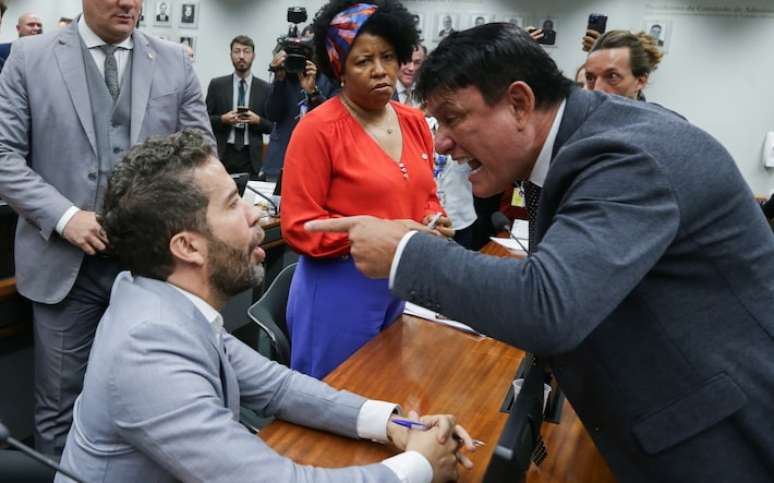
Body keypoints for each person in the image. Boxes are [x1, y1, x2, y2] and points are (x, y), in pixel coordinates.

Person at [305, 23, 774, 482]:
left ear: (519, 103)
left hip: (722, 437)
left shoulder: (626, 155)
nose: (442, 141)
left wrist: (405, 253)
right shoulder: (584, 139)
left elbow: (549, 305)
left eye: (452, 118)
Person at [54, 129, 474, 483]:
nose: (256, 213)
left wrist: (396, 425)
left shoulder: (160, 296)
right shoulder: (147, 347)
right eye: (233, 203)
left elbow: (278, 386)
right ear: (187, 247)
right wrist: (419, 466)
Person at [0, 0, 213, 456]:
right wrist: (65, 217)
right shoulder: (29, 58)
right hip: (64, 270)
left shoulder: (173, 61)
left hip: (152, 269)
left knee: (154, 397)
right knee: (58, 408)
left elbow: (201, 155)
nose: (128, 3)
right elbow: (4, 158)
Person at [280, 0, 449, 379]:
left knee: (384, 391)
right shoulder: (317, 129)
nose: (380, 71)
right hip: (338, 289)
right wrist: (382, 232)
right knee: (333, 400)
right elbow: (298, 226)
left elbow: (425, 190)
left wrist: (434, 218)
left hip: (400, 282)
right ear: (339, 69)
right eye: (363, 61)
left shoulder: (415, 122)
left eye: (388, 57)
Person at [264, 25, 338, 181]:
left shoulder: (329, 79)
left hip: (315, 162)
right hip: (279, 160)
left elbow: (332, 121)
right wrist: (279, 79)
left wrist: (313, 92)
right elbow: (272, 115)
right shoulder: (284, 75)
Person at [206, 35, 273, 179]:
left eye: (246, 51)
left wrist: (258, 120)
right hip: (223, 154)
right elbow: (203, 120)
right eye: (237, 51)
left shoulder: (265, 88)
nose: (241, 56)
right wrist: (223, 119)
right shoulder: (217, 85)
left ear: (253, 56)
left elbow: (272, 127)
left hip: (251, 157)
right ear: (230, 55)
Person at [582, 29, 663, 100]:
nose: (596, 89)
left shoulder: (655, 117)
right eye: (590, 78)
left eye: (612, 76)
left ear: (640, 81)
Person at [394, 43, 425, 107]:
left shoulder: (425, 93)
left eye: (417, 63)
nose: (411, 68)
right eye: (407, 61)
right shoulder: (384, 92)